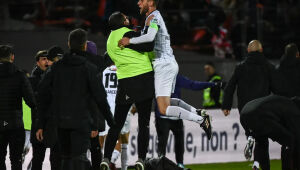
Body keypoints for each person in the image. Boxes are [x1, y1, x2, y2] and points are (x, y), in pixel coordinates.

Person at [118, 0, 212, 143]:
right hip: (166, 63)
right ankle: (197, 112)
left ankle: (200, 119)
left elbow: (149, 37)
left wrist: (129, 42)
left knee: (163, 109)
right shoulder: (152, 17)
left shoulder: (153, 17)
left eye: (141, 0)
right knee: (165, 101)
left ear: (150, 2)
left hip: (164, 65)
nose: (138, 3)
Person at [36, 28, 115, 170]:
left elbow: (42, 95)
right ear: (85, 45)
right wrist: (110, 121)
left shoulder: (56, 68)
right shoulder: (89, 67)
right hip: (82, 122)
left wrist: (41, 123)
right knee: (79, 158)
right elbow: (100, 98)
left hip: (61, 122)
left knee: (65, 157)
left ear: (68, 44)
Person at [100, 12, 155, 170]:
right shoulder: (127, 33)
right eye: (125, 18)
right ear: (122, 22)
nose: (128, 19)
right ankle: (141, 160)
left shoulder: (109, 41)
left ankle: (106, 158)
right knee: (143, 124)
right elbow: (148, 45)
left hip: (125, 83)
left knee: (116, 125)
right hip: (143, 79)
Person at [222, 40, 276, 170]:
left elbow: (230, 87)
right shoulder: (268, 66)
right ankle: (257, 163)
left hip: (245, 109)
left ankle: (252, 142)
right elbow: (277, 87)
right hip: (262, 108)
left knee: (258, 137)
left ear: (248, 51)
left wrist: (226, 105)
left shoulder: (240, 67)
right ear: (261, 50)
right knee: (262, 138)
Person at [155, 74, 216, 169]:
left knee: (178, 142)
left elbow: (193, 85)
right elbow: (192, 85)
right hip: (163, 117)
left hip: (174, 117)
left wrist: (211, 84)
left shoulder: (172, 76)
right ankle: (161, 164)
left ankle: (180, 164)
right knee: (162, 143)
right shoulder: (161, 76)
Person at [0, 45, 36, 170]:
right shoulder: (19, 75)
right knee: (16, 160)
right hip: (15, 124)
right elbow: (31, 101)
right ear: (12, 57)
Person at [240, 95, 300, 170]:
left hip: (244, 113)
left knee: (261, 141)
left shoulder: (284, 102)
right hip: (261, 116)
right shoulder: (295, 111)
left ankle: (256, 164)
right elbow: (297, 140)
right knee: (289, 140)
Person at [28, 50, 61, 170]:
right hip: (39, 122)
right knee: (38, 158)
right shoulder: (32, 80)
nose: (46, 61)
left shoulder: (56, 78)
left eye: (48, 59)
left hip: (53, 123)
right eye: (43, 59)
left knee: (56, 158)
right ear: (37, 62)